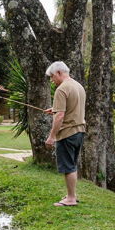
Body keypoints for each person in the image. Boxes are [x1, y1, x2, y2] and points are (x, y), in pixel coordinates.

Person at [44, 61, 86, 207]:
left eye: (52, 76)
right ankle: (71, 195)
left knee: (68, 166)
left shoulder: (61, 89)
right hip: (79, 132)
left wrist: (51, 136)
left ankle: (71, 199)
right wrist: (55, 108)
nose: (51, 80)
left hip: (67, 133)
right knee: (72, 164)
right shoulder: (78, 86)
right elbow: (70, 108)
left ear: (59, 73)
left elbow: (60, 116)